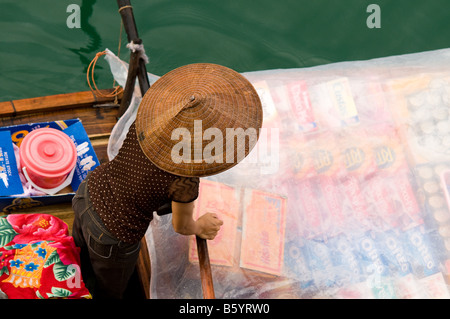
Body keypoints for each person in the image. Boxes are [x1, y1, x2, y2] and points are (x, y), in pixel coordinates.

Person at [71, 63, 263, 299]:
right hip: (111, 236)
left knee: (77, 255)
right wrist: (201, 225)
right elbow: (182, 226)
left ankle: (73, 280)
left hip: (88, 191)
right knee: (109, 290)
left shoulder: (149, 124)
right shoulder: (184, 180)